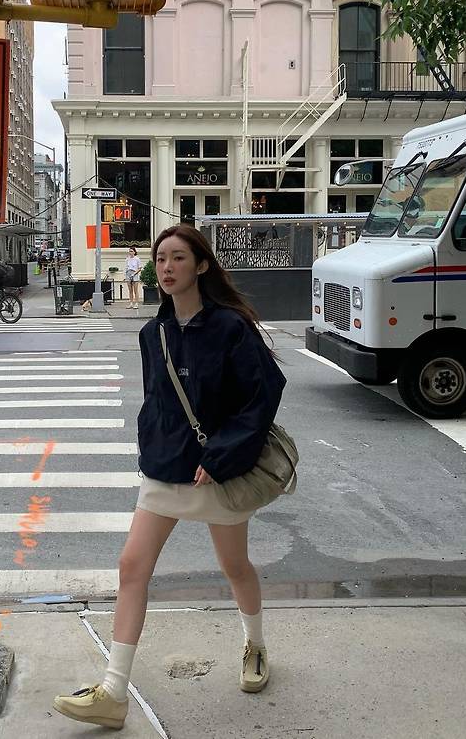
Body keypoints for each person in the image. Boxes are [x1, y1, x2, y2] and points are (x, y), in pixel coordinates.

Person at [53, 224, 287, 730]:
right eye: (160, 259)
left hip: (219, 473)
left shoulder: (230, 328)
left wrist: (222, 456)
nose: (166, 267)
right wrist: (153, 451)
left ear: (200, 266)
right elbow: (157, 402)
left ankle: (255, 646)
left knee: (235, 567)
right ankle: (113, 691)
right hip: (165, 471)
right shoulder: (152, 333)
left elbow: (262, 395)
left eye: (178, 258)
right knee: (131, 566)